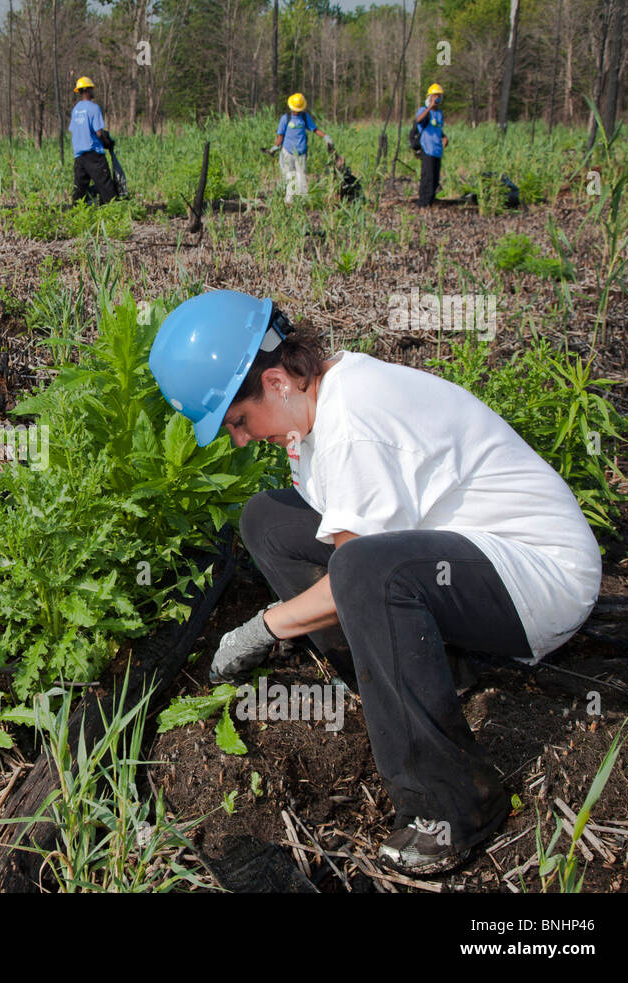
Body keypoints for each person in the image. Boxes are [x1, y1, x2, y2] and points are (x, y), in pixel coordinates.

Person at [147, 290, 601, 876]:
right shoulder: (321, 408)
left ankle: (453, 802)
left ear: (279, 382)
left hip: (539, 578)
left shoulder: (355, 417)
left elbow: (355, 571)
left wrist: (264, 627)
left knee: (362, 570)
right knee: (269, 520)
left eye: (238, 420)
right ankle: (396, 678)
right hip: (465, 558)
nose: (239, 438)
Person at [269, 93, 333, 205]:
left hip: (301, 152)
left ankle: (303, 202)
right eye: (295, 109)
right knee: (289, 176)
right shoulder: (285, 118)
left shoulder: (304, 117)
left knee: (301, 176)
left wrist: (325, 137)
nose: (296, 111)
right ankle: (289, 201)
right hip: (287, 152)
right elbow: (281, 135)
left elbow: (314, 129)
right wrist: (275, 147)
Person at [69, 76, 116, 205]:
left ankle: (76, 213)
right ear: (88, 91)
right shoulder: (94, 108)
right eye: (92, 89)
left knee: (80, 189)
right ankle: (112, 211)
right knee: (106, 186)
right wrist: (107, 142)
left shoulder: (75, 110)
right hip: (93, 154)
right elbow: (99, 132)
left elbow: (74, 130)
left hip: (79, 154)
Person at [414, 83, 448, 207]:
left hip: (437, 150)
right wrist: (430, 107)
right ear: (430, 97)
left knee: (435, 178)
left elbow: (439, 129)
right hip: (427, 148)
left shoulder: (439, 113)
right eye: (435, 96)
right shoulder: (424, 110)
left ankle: (431, 201)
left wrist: (444, 137)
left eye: (439, 96)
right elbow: (418, 120)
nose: (437, 99)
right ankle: (423, 203)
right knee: (427, 177)